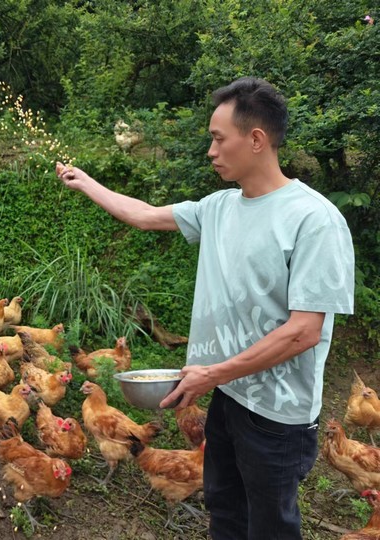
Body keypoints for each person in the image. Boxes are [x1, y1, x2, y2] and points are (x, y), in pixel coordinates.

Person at [56, 76, 355, 540]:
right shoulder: (219, 207)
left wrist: (211, 374)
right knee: (226, 514)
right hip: (229, 400)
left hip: (278, 417)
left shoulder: (314, 220)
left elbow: (303, 332)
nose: (211, 151)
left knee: (270, 528)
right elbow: (142, 214)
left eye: (218, 139)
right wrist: (86, 182)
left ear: (256, 139)